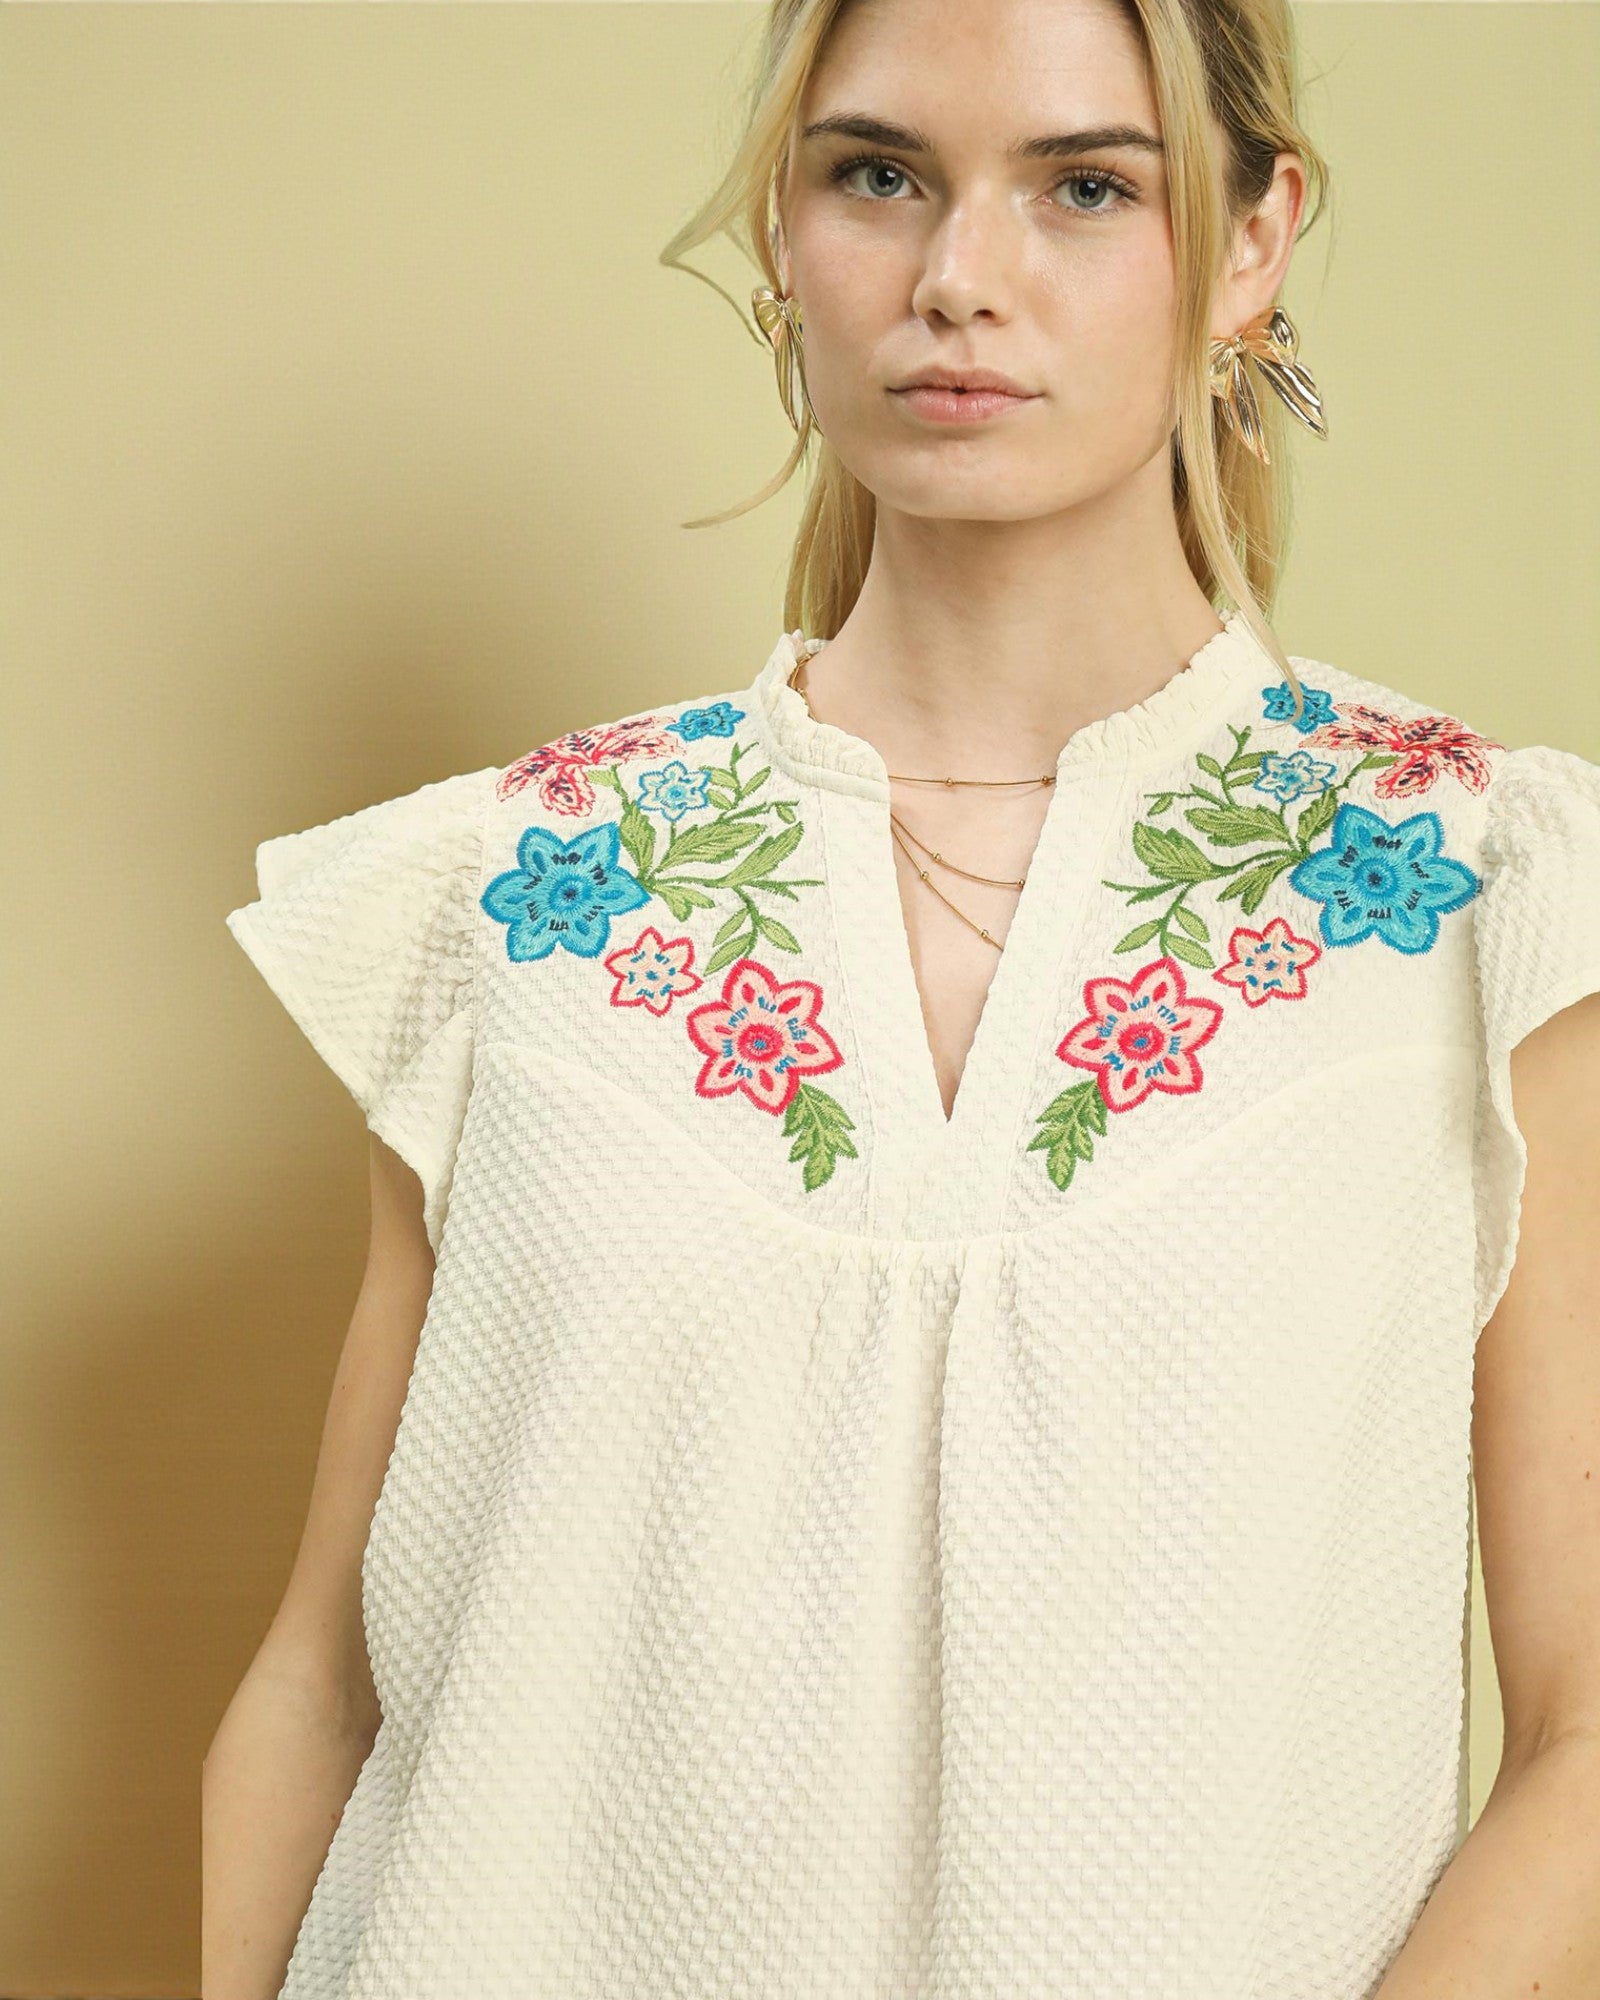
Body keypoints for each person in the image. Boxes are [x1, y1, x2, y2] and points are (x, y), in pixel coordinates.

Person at [202, 0, 1600, 1995]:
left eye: (1081, 187)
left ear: (1252, 241)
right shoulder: (520, 883)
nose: (954, 278)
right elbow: (320, 1690)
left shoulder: (1477, 896)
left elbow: (1580, 1747)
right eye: (875, 175)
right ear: (782, 230)